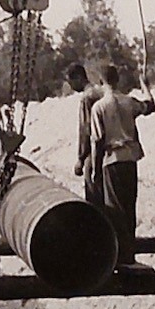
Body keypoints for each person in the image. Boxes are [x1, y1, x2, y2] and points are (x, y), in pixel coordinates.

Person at [90, 64, 155, 271]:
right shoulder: (129, 102)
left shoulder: (99, 107)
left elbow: (98, 141)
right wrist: (145, 85)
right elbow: (150, 106)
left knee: (114, 209)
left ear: (101, 83)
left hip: (112, 160)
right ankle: (129, 255)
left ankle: (121, 258)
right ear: (117, 80)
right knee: (129, 207)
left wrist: (94, 168)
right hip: (130, 160)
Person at [67, 63, 103, 205]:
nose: (71, 86)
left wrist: (81, 159)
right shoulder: (100, 92)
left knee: (93, 196)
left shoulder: (86, 98)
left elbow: (85, 130)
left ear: (79, 78)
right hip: (106, 151)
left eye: (71, 82)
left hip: (92, 153)